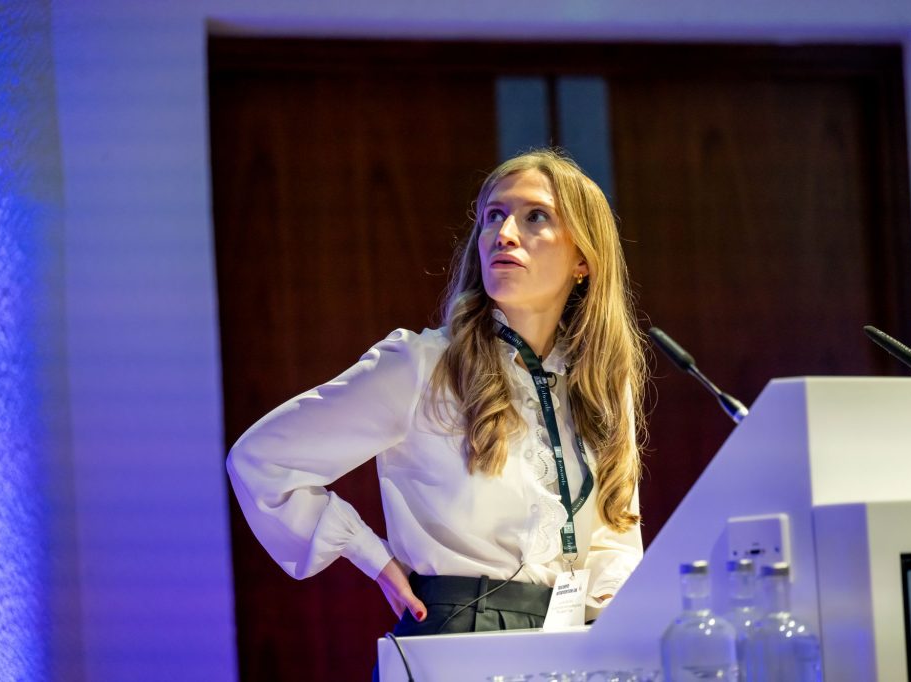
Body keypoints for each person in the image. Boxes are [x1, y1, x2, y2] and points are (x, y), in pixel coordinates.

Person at [227, 149, 647, 645]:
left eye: (535, 216)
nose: (504, 233)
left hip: (568, 643)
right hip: (456, 632)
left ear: (583, 260)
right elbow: (262, 459)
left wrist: (610, 627)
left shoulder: (599, 383)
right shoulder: (422, 365)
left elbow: (616, 536)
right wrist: (371, 555)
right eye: (493, 215)